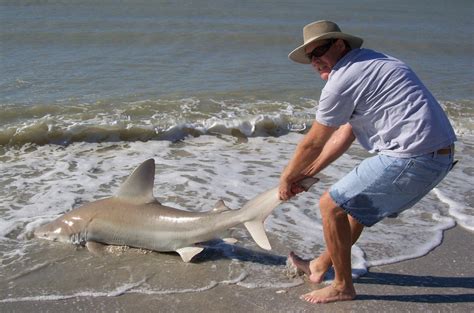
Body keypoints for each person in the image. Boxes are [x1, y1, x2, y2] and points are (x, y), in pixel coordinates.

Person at [279, 20, 457, 304]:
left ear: (340, 44)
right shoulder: (373, 62)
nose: (315, 61)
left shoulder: (343, 80)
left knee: (331, 204)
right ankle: (319, 266)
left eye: (320, 51)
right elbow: (345, 133)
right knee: (355, 208)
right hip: (436, 156)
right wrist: (308, 172)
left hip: (414, 156)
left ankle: (342, 287)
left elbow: (314, 141)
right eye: (310, 57)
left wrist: (287, 178)